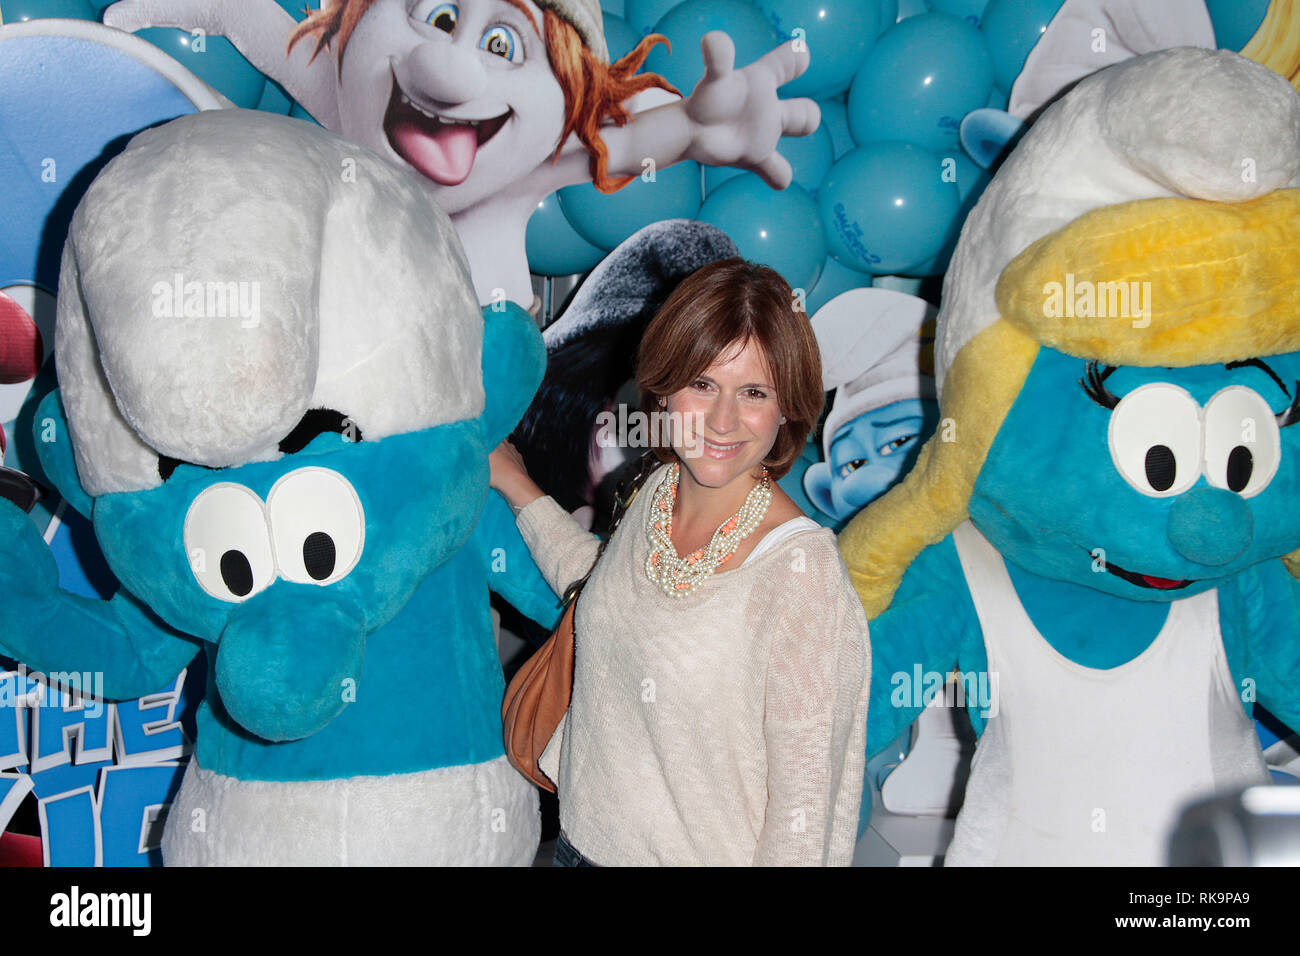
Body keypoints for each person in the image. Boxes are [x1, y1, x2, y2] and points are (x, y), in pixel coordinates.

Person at [490, 258, 870, 865]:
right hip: (577, 845)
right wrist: (520, 488)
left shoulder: (803, 578)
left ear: (786, 408)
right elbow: (603, 594)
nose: (723, 421)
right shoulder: (657, 490)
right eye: (702, 384)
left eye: (753, 392)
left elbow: (804, 820)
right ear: (662, 388)